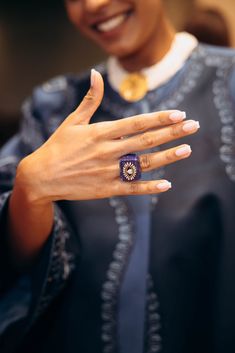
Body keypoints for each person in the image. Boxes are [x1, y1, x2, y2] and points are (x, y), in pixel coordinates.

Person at [0, 1, 235, 353]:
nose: (94, 4)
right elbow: (17, 266)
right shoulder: (53, 107)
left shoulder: (228, 84)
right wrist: (29, 192)